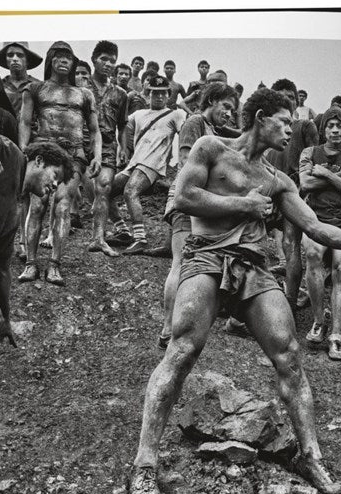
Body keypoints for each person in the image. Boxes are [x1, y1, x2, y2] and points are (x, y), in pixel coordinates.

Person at [127, 88, 341, 494]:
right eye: (284, 122)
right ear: (261, 119)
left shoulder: (278, 180)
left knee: (289, 354)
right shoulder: (210, 146)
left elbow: (318, 229)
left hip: (253, 267)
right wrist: (243, 204)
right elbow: (183, 198)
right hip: (207, 257)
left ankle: (311, 457)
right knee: (181, 351)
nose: (291, 130)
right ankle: (144, 463)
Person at [0, 126, 72, 422]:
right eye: (56, 176)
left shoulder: (14, 214)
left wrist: (7, 320)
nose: (56, 186)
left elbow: (1, 270)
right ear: (39, 161)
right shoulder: (14, 157)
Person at [156, 82, 241, 348]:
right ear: (212, 100)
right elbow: (184, 163)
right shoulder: (194, 122)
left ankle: (184, 325)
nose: (228, 113)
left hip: (204, 203)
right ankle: (168, 328)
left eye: (232, 110)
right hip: (187, 200)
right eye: (226, 107)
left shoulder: (214, 132)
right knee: (180, 263)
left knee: (195, 266)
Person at [17, 41, 101, 286]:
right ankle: (31, 264)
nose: (64, 61)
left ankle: (54, 265)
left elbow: (94, 131)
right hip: (44, 151)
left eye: (68, 57)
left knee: (63, 208)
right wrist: (24, 151)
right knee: (37, 206)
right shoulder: (35, 89)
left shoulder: (84, 94)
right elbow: (24, 121)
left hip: (74, 154)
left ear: (73, 63)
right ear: (51, 60)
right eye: (59, 57)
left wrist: (97, 156)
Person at [298, 106, 341, 360]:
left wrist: (327, 173)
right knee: (314, 256)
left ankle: (336, 334)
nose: (335, 130)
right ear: (323, 129)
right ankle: (318, 320)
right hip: (316, 216)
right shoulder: (310, 152)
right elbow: (305, 183)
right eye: (330, 126)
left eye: (340, 126)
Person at [112, 75, 186, 254]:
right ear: (148, 94)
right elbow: (121, 127)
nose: (159, 97)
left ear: (168, 95)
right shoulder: (138, 114)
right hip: (134, 163)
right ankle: (122, 231)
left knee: (131, 191)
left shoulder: (175, 114)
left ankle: (141, 239)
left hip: (153, 163)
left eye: (163, 93)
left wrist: (179, 162)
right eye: (155, 93)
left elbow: (185, 135)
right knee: (105, 190)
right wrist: (122, 150)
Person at [264, 78, 319, 313]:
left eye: (291, 97)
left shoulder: (305, 125)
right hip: (266, 184)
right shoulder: (266, 127)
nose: (287, 101)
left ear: (297, 101)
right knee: (251, 237)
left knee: (291, 243)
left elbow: (314, 158)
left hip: (293, 188)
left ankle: (289, 304)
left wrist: (302, 191)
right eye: (281, 97)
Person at [84, 41, 129, 257]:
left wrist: (123, 148)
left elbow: (122, 125)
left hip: (109, 144)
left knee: (104, 186)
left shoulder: (120, 94)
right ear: (94, 60)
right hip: (81, 142)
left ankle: (98, 238)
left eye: (112, 60)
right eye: (104, 59)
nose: (108, 64)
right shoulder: (81, 87)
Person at [0, 41, 42, 118]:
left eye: (20, 55)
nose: (15, 59)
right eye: (10, 55)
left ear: (27, 60)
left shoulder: (38, 86)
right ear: (6, 60)